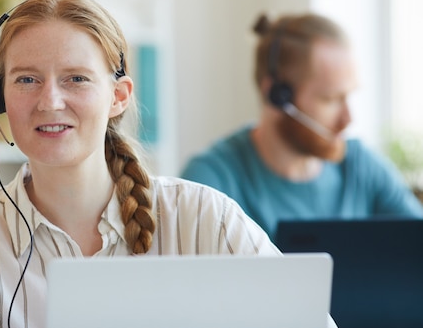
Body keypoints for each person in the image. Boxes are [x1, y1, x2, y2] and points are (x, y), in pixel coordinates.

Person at [0, 0, 303, 328]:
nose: (49, 101)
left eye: (76, 78)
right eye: (26, 79)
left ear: (118, 96)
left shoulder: (203, 217)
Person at [181, 13, 423, 240]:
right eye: (331, 99)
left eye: (349, 96)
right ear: (276, 95)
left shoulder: (362, 167)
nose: (348, 118)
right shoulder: (210, 182)